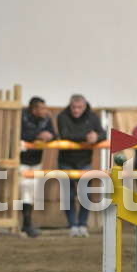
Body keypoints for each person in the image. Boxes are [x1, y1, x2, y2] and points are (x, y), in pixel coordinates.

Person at [56, 94, 106, 237]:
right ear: (70, 105)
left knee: (86, 194)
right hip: (66, 161)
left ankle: (83, 225)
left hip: (85, 161)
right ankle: (73, 225)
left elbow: (103, 134)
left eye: (79, 107)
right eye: (74, 107)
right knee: (68, 194)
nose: (76, 110)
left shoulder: (93, 117)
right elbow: (65, 135)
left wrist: (97, 137)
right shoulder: (62, 116)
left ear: (85, 106)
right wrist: (87, 137)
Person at [19, 97, 56, 237]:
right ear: (34, 109)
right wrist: (38, 135)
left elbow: (55, 135)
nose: (45, 111)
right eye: (42, 108)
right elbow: (19, 134)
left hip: (36, 160)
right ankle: (26, 223)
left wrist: (49, 136)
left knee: (31, 190)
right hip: (19, 159)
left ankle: (26, 224)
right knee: (25, 189)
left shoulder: (46, 119)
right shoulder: (21, 117)